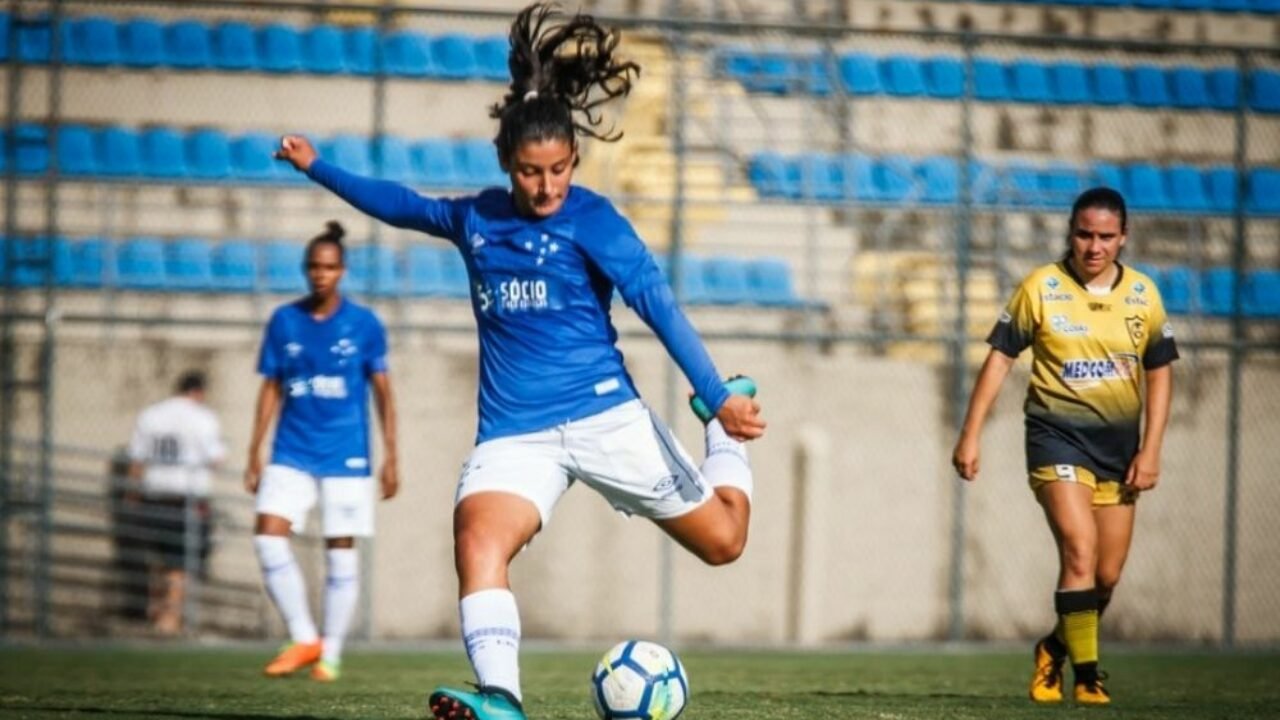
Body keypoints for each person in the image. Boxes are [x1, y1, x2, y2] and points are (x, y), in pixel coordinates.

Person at [274, 4, 765, 718]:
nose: (547, 187)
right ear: (508, 165)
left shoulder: (592, 218)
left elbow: (655, 301)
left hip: (605, 416)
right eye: (532, 173)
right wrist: (318, 168)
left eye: (560, 170)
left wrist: (717, 396)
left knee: (725, 542)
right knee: (476, 537)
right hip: (515, 434)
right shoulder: (477, 219)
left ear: (574, 160)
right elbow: (401, 205)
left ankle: (719, 438)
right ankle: (500, 699)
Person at [951, 187, 1178, 706]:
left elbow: (1160, 372)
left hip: (1118, 449)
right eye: (1083, 234)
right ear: (1070, 233)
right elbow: (1000, 360)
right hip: (1056, 439)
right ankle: (1089, 677)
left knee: (1105, 576)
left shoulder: (1144, 295)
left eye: (1104, 237)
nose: (1093, 246)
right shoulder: (1042, 288)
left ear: (1123, 238)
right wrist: (970, 434)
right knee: (1079, 550)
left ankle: (1054, 647)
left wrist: (1152, 448)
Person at [244, 221, 399, 683]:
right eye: (314, 266)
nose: (321, 274)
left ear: (343, 271)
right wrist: (255, 450)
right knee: (268, 536)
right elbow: (271, 386)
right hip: (291, 450)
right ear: (305, 269)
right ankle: (304, 635)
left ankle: (329, 653)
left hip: (346, 455)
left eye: (330, 267)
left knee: (340, 552)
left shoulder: (364, 324)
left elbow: (384, 392)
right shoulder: (284, 321)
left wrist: (392, 455)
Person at [125, 370, 226, 636]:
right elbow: (216, 458)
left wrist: (132, 494)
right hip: (186, 498)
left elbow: (137, 460)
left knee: (158, 559)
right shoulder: (202, 417)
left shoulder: (151, 415)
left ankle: (156, 609)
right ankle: (169, 619)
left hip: (154, 495)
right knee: (180, 563)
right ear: (199, 392)